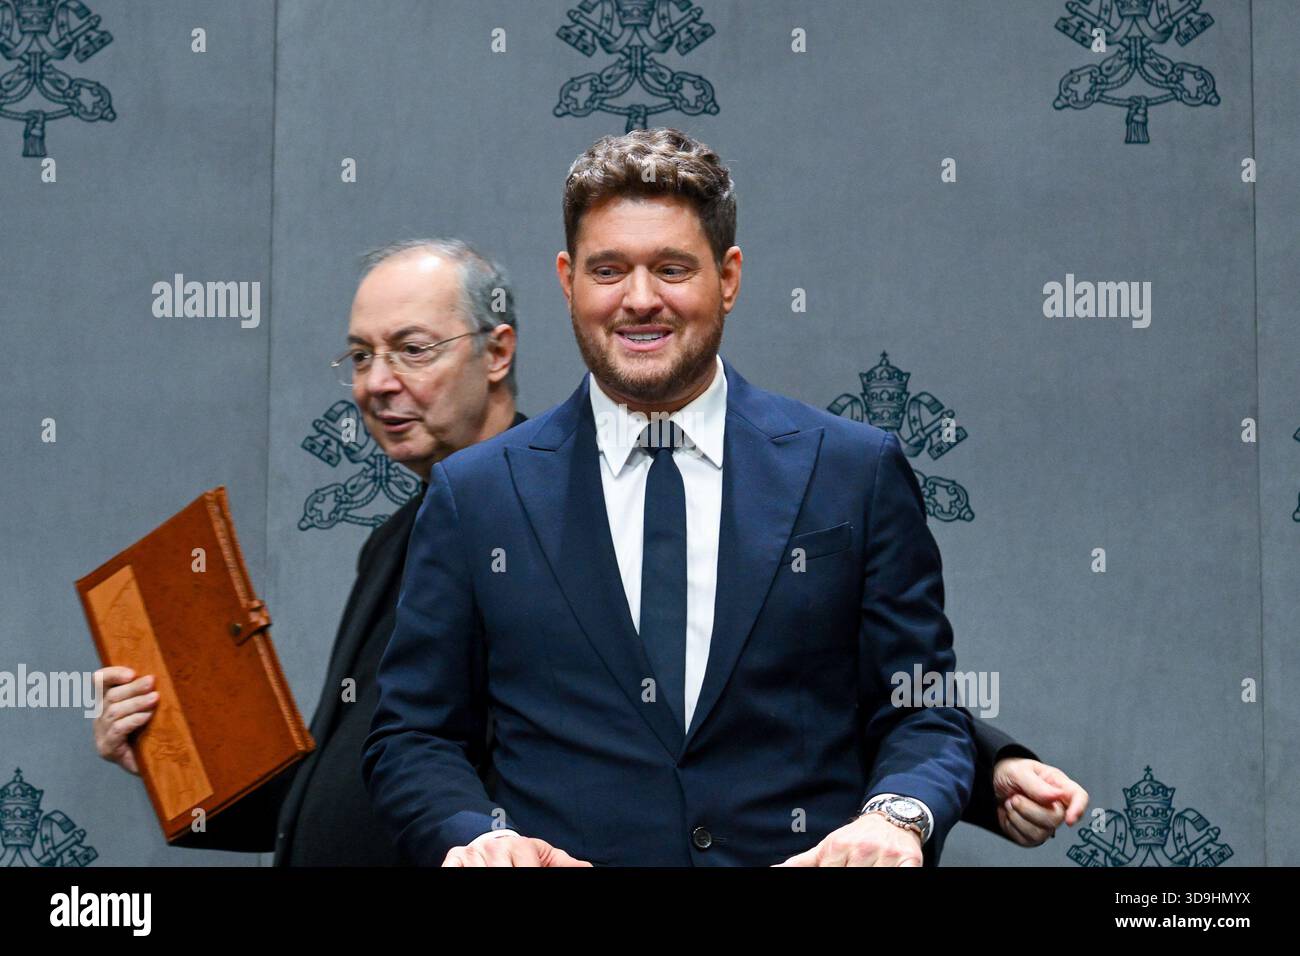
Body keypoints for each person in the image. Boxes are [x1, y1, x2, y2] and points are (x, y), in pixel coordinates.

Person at [363, 129, 1080, 867]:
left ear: (728, 277)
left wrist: (897, 817)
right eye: (608, 270)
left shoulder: (853, 471)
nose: (639, 300)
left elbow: (919, 705)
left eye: (672, 268)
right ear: (567, 279)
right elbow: (413, 737)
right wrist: (477, 840)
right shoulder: (477, 494)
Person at [91, 239, 522, 865]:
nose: (376, 383)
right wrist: (167, 757)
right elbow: (343, 788)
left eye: (411, 349)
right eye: (360, 355)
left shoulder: (547, 521)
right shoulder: (393, 539)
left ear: (497, 352)